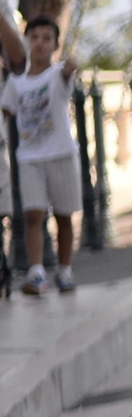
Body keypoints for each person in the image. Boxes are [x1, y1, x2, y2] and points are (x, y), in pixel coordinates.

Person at [3, 16, 81, 295]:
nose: (39, 44)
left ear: (55, 44)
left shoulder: (57, 75)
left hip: (61, 154)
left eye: (47, 38)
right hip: (30, 158)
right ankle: (36, 272)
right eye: (34, 38)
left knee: (63, 216)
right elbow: (6, 111)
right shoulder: (16, 83)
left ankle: (64, 270)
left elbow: (66, 75)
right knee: (33, 215)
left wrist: (71, 68)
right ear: (27, 42)